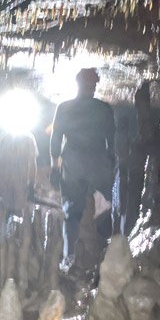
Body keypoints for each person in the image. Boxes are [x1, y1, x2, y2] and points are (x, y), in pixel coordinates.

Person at [50, 67, 116, 270]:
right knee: (91, 210)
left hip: (79, 164)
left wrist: (55, 168)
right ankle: (89, 256)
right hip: (92, 163)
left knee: (79, 211)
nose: (92, 88)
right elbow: (111, 141)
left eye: (94, 85)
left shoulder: (66, 108)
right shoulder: (102, 109)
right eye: (90, 85)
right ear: (80, 85)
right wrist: (111, 165)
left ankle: (80, 256)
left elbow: (56, 142)